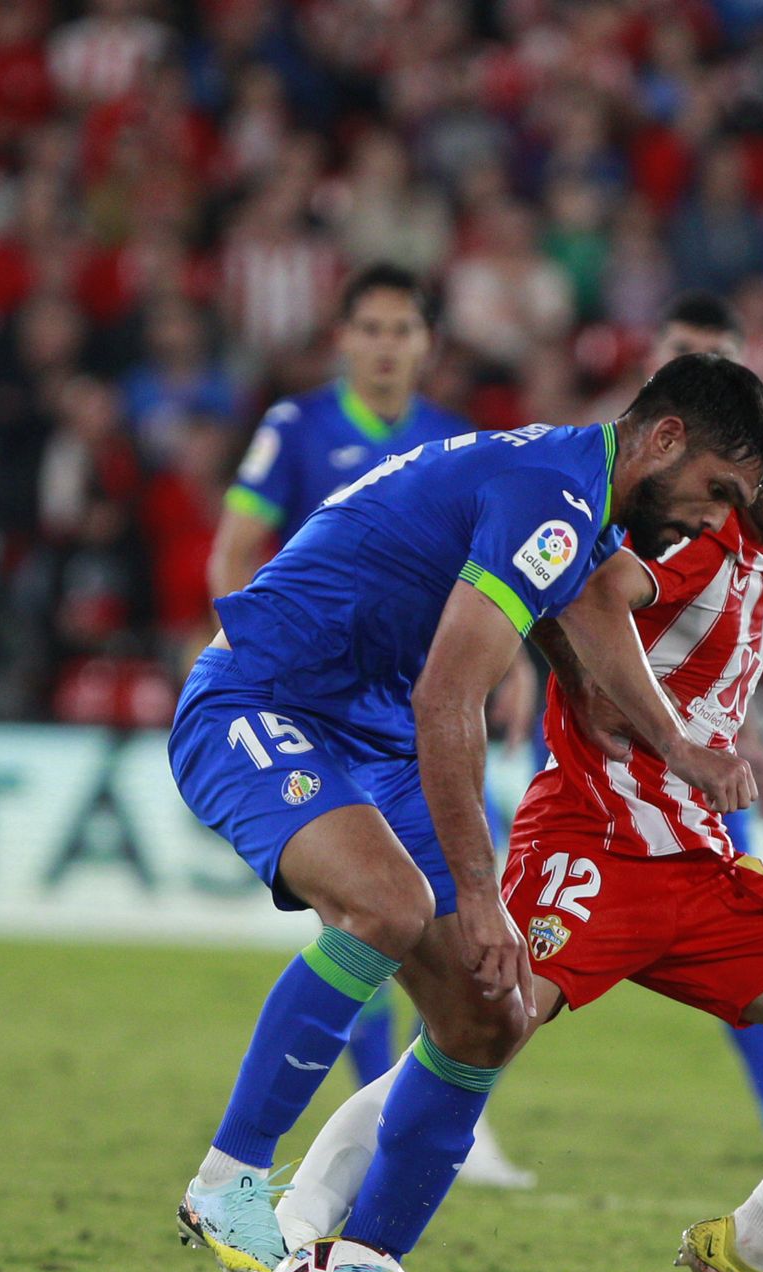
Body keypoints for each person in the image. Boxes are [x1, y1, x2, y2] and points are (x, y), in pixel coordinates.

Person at [223, 360, 763, 1272]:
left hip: (699, 868)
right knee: (467, 1033)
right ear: (756, 440)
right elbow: (592, 593)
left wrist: (720, 727)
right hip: (589, 849)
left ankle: (748, 1249)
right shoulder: (699, 527)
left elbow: (690, 651)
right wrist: (668, 737)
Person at [172, 352, 763, 1272]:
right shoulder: (551, 492)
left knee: (486, 1013)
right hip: (264, 701)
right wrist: (487, 892)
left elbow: (590, 613)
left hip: (365, 731)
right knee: (386, 904)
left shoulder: (577, 496)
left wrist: (676, 746)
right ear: (665, 438)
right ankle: (229, 1176)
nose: (715, 520)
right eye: (717, 490)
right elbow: (448, 699)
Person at [208, 261, 531, 1186]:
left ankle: (414, 1104)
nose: (387, 347)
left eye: (404, 331)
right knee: (384, 906)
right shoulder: (295, 427)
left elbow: (488, 587)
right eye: (372, 329)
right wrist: (256, 658)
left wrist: (512, 671)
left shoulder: (453, 441)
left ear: (429, 345)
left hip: (405, 705)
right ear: (342, 338)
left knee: (436, 908)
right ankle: (325, 1130)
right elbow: (235, 546)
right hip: (307, 702)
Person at [608, 293, 763, 1159]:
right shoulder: (620, 469)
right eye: (686, 353)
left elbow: (726, 639)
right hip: (606, 753)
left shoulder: (742, 495)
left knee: (746, 926)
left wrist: (749, 738)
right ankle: (438, 1101)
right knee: (517, 953)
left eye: (719, 356)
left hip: (700, 759)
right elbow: (562, 597)